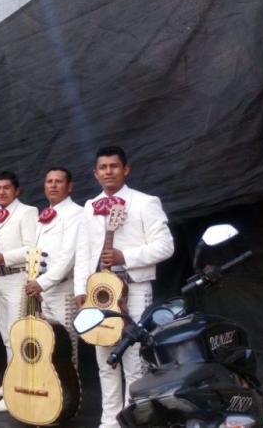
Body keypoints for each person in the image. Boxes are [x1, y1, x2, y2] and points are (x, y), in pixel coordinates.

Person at [74, 146, 174, 428]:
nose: (108, 171)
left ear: (126, 169)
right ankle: (109, 420)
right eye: (102, 167)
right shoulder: (90, 206)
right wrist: (80, 291)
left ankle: (134, 419)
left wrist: (125, 257)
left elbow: (166, 246)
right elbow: (83, 251)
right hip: (98, 291)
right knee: (104, 356)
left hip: (135, 288)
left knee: (133, 359)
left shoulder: (145, 202)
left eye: (114, 166)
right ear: (95, 174)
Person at [0, 171, 38, 412]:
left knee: (16, 336)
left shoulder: (27, 212)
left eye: (6, 188)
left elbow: (32, 248)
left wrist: (3, 257)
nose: (1, 192)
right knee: (6, 336)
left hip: (17, 278)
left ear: (17, 191)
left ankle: (16, 390)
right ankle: (10, 382)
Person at [24, 168, 82, 366]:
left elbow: (68, 257)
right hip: (44, 290)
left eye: (59, 181)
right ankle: (51, 393)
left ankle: (71, 396)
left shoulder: (76, 213)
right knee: (47, 346)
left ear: (70, 186)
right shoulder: (46, 214)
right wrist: (35, 282)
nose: (53, 185)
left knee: (67, 348)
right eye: (49, 181)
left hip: (63, 289)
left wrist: (41, 283)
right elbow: (36, 253)